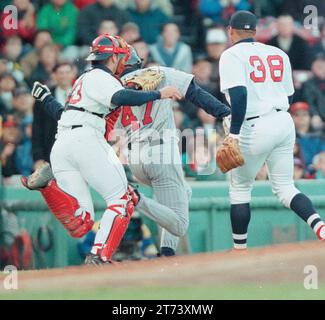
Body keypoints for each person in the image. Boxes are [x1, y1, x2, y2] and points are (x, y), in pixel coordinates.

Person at [24, 45, 231, 257]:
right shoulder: (160, 73)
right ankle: (139, 204)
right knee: (179, 224)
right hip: (161, 152)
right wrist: (225, 113)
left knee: (183, 192)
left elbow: (71, 117)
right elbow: (196, 93)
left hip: (134, 157)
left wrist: (47, 99)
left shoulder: (110, 87)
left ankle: (165, 253)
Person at [218, 11, 325, 250]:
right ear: (255, 32)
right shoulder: (278, 53)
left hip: (253, 124)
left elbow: (239, 94)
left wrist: (234, 134)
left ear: (231, 31)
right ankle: (320, 226)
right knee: (286, 187)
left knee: (240, 189)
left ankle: (240, 250)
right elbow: (288, 93)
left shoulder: (231, 54)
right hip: (283, 121)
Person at [32, 62, 76, 167]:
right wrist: (38, 157)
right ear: (54, 75)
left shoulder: (81, 95)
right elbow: (37, 129)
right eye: (60, 73)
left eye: (67, 72)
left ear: (73, 74)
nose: (64, 76)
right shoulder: (43, 97)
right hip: (51, 151)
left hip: (76, 149)